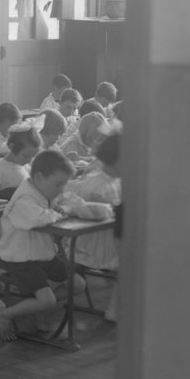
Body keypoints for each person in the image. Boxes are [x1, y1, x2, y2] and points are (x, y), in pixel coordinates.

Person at [0, 150, 84, 341]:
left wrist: (62, 207)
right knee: (48, 300)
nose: (61, 189)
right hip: (20, 259)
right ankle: (6, 314)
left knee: (77, 284)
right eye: (58, 184)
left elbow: (64, 201)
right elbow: (38, 218)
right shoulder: (23, 199)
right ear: (39, 177)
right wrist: (61, 213)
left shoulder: (43, 191)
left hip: (43, 255)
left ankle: (38, 307)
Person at [64, 132, 122, 321]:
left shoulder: (116, 180)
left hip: (107, 238)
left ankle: (118, 307)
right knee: (134, 260)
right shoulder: (95, 182)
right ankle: (115, 309)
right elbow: (85, 212)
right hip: (91, 244)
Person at [0, 123, 42, 200]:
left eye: (33, 156)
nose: (29, 160)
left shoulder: (27, 168)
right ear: (11, 147)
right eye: (25, 156)